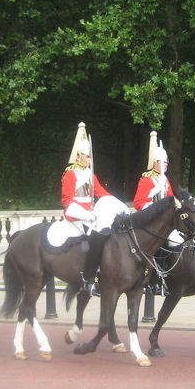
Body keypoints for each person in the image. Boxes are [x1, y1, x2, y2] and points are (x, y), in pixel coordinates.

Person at [61, 122, 128, 294]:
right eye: (87, 156)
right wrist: (86, 214)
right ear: (78, 156)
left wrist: (120, 205)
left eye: (90, 156)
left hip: (90, 214)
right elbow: (67, 201)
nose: (89, 159)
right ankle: (88, 278)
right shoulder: (70, 173)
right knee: (96, 236)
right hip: (75, 214)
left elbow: (102, 193)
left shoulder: (90, 175)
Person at [133, 131, 178, 295]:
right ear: (156, 163)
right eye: (164, 162)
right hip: (150, 222)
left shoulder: (165, 180)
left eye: (167, 162)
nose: (166, 164)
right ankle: (153, 279)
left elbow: (171, 199)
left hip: (164, 222)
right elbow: (138, 203)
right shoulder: (146, 180)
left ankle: (168, 274)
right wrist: (153, 213)